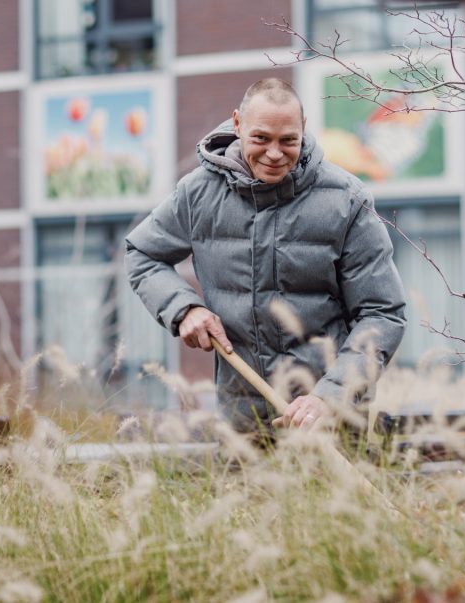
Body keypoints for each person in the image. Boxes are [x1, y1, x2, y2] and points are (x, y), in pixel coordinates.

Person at [124, 78, 406, 433]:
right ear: (238, 124)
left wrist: (330, 396)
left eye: (288, 140)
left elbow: (382, 312)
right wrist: (184, 309)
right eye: (261, 139)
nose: (274, 153)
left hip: (333, 422)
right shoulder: (197, 194)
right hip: (244, 423)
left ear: (303, 129)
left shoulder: (347, 199)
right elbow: (142, 253)